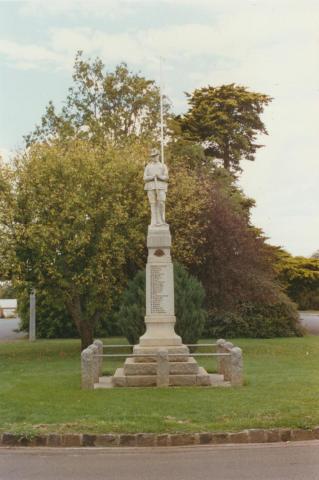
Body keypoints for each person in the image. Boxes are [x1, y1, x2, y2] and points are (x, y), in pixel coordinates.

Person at [144, 148, 168, 226]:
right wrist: (152, 177)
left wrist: (159, 176)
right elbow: (145, 178)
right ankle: (153, 221)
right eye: (152, 156)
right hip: (150, 187)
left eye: (155, 156)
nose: (154, 157)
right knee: (153, 204)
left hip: (161, 187)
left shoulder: (163, 166)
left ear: (158, 156)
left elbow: (166, 177)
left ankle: (161, 220)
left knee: (161, 202)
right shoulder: (148, 166)